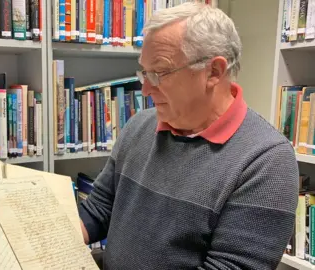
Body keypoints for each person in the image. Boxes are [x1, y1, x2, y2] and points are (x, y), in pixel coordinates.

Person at [78, 2, 299, 270]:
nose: (145, 89)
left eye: (159, 73)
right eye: (144, 72)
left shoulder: (267, 162)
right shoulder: (139, 127)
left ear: (213, 72)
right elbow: (99, 211)